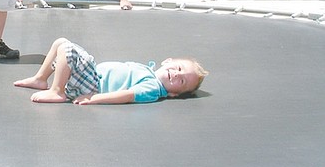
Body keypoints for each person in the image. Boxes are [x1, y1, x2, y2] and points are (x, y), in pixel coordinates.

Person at [14, 37, 208, 104]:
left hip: (92, 85)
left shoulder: (153, 88)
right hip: (90, 76)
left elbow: (127, 95)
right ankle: (40, 79)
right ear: (168, 61)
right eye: (179, 68)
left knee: (67, 49)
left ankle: (58, 91)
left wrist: (94, 98)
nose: (177, 74)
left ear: (173, 94)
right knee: (60, 42)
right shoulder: (148, 71)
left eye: (181, 81)